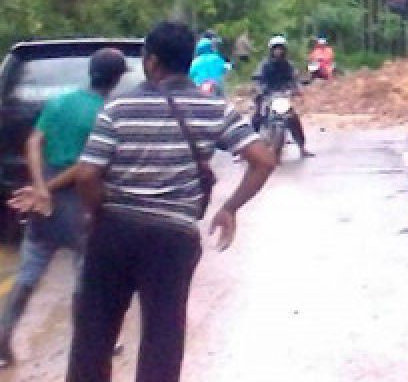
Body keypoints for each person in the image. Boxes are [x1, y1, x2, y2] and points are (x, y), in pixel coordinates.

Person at [66, 21, 276, 382]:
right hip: (173, 238)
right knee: (163, 336)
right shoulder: (214, 109)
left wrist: (98, 211)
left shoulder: (118, 108)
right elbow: (262, 159)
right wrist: (230, 207)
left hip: (114, 231)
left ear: (151, 62)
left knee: (94, 335)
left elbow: (86, 175)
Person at [0, 49, 128, 369]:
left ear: (91, 71)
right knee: (86, 274)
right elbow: (87, 164)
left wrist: (41, 185)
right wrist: (52, 187)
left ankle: (3, 336)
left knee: (30, 270)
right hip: (80, 201)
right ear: (117, 78)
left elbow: (33, 142)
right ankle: (90, 340)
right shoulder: (106, 112)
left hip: (45, 201)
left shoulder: (59, 102)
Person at [253, 36, 315, 157]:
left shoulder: (288, 65)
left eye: (280, 49)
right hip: (268, 95)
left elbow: (294, 78)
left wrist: (296, 89)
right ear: (271, 50)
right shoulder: (265, 65)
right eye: (276, 49)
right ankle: (244, 150)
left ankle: (302, 147)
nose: (278, 51)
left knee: (294, 119)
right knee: (256, 117)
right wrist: (260, 89)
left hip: (282, 95)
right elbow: (257, 78)